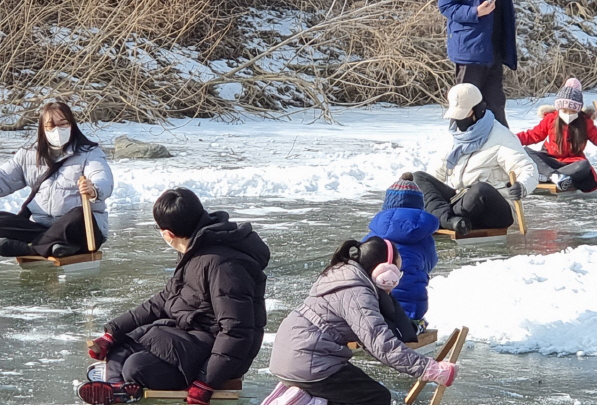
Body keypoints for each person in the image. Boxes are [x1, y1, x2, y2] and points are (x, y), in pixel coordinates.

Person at [77, 188, 270, 405]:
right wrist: (113, 332)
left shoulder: (222, 265)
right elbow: (165, 299)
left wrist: (206, 382)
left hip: (215, 352)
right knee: (121, 345)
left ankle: (119, 385)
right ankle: (116, 388)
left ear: (167, 233)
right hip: (188, 338)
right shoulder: (196, 250)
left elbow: (237, 331)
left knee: (136, 366)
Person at [267, 237, 458, 405]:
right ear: (385, 274)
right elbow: (380, 343)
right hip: (309, 362)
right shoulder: (357, 293)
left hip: (295, 356)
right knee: (376, 397)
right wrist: (430, 369)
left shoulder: (345, 277)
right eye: (397, 274)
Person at [413, 83, 538, 235]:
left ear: (478, 111)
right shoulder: (455, 137)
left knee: (480, 188)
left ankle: (441, 218)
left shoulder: (501, 137)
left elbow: (528, 169)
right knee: (418, 177)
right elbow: (436, 175)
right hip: (459, 200)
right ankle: (451, 219)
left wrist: (522, 186)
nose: (458, 121)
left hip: (494, 209)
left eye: (462, 115)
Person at [0, 102, 113, 258]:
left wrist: (94, 189)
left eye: (63, 124)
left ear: (72, 125)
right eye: (51, 126)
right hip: (40, 228)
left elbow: (102, 176)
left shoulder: (90, 153)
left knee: (77, 215)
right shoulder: (27, 155)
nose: (57, 130)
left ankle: (32, 249)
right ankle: (54, 246)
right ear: (42, 129)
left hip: (80, 230)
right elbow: (4, 178)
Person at [438, 0, 518, 127]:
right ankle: (462, 147)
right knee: (465, 104)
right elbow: (445, 5)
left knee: (496, 103)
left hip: (495, 49)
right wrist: (475, 12)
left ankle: (500, 149)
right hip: (470, 50)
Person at [362, 173, 438, 331]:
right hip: (410, 311)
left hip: (373, 312)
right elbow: (430, 263)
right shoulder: (425, 238)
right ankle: (415, 325)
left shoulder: (372, 236)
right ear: (418, 206)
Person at [516, 78, 597, 192]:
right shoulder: (551, 118)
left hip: (571, 164)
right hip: (549, 160)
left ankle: (548, 175)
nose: (568, 114)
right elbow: (532, 135)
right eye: (564, 110)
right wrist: (511, 139)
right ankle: (553, 176)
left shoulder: (585, 122)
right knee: (527, 152)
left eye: (572, 111)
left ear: (578, 110)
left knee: (584, 166)